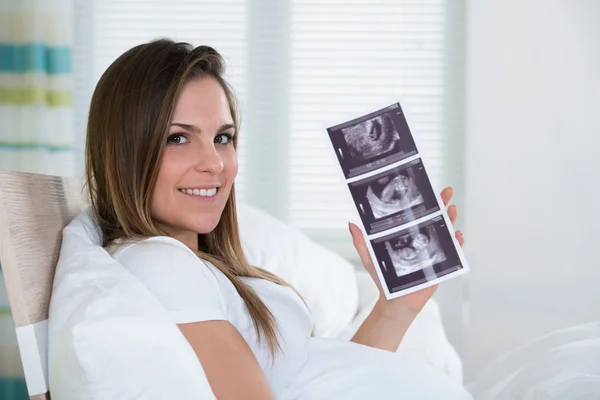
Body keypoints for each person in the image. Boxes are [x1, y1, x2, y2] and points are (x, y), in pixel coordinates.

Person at [83, 38, 472, 399]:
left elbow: (318, 383)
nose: (215, 163)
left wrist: (396, 308)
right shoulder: (158, 263)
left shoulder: (196, 268)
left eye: (222, 137)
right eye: (178, 138)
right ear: (124, 152)